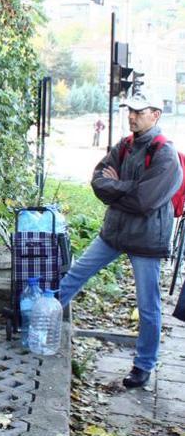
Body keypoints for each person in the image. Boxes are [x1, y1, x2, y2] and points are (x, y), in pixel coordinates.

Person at [59, 93, 181, 388]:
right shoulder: (125, 145)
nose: (132, 116)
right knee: (75, 275)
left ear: (155, 115)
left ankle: (143, 365)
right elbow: (98, 181)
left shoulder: (165, 154)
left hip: (147, 239)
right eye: (130, 110)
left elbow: (144, 201)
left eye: (139, 111)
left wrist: (118, 188)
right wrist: (122, 188)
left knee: (148, 305)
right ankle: (37, 318)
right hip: (114, 232)